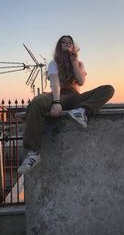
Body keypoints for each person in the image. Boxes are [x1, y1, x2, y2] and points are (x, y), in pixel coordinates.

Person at [18, 35, 115, 175]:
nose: (67, 43)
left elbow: (81, 82)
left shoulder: (79, 64)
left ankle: (82, 112)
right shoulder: (53, 64)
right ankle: (33, 153)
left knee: (108, 89)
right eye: (63, 42)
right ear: (59, 46)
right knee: (37, 102)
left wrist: (74, 62)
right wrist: (56, 102)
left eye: (70, 42)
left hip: (75, 97)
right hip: (59, 94)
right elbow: (55, 83)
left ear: (73, 46)